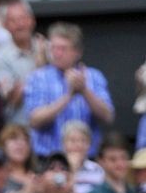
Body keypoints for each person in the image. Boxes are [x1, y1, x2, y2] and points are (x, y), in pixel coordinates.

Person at [23, 22, 113, 160]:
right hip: (48, 158)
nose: (57, 54)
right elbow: (34, 120)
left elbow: (107, 116)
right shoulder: (38, 77)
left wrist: (84, 91)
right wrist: (68, 96)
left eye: (63, 48)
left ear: (77, 52)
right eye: (53, 48)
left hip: (88, 159)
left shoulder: (94, 76)